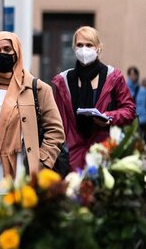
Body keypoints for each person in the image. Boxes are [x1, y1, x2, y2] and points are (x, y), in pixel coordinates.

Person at [0, 31, 65, 230]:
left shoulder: (38, 89)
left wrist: (42, 161)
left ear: (17, 52)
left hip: (22, 173)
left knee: (21, 232)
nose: (2, 54)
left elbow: (56, 131)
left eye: (7, 50)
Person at [52, 26, 136, 171]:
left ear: (98, 48)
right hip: (72, 157)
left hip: (104, 153)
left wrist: (108, 117)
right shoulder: (63, 81)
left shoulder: (113, 77)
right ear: (74, 48)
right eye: (79, 45)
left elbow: (129, 110)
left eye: (89, 45)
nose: (84, 49)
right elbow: (56, 121)